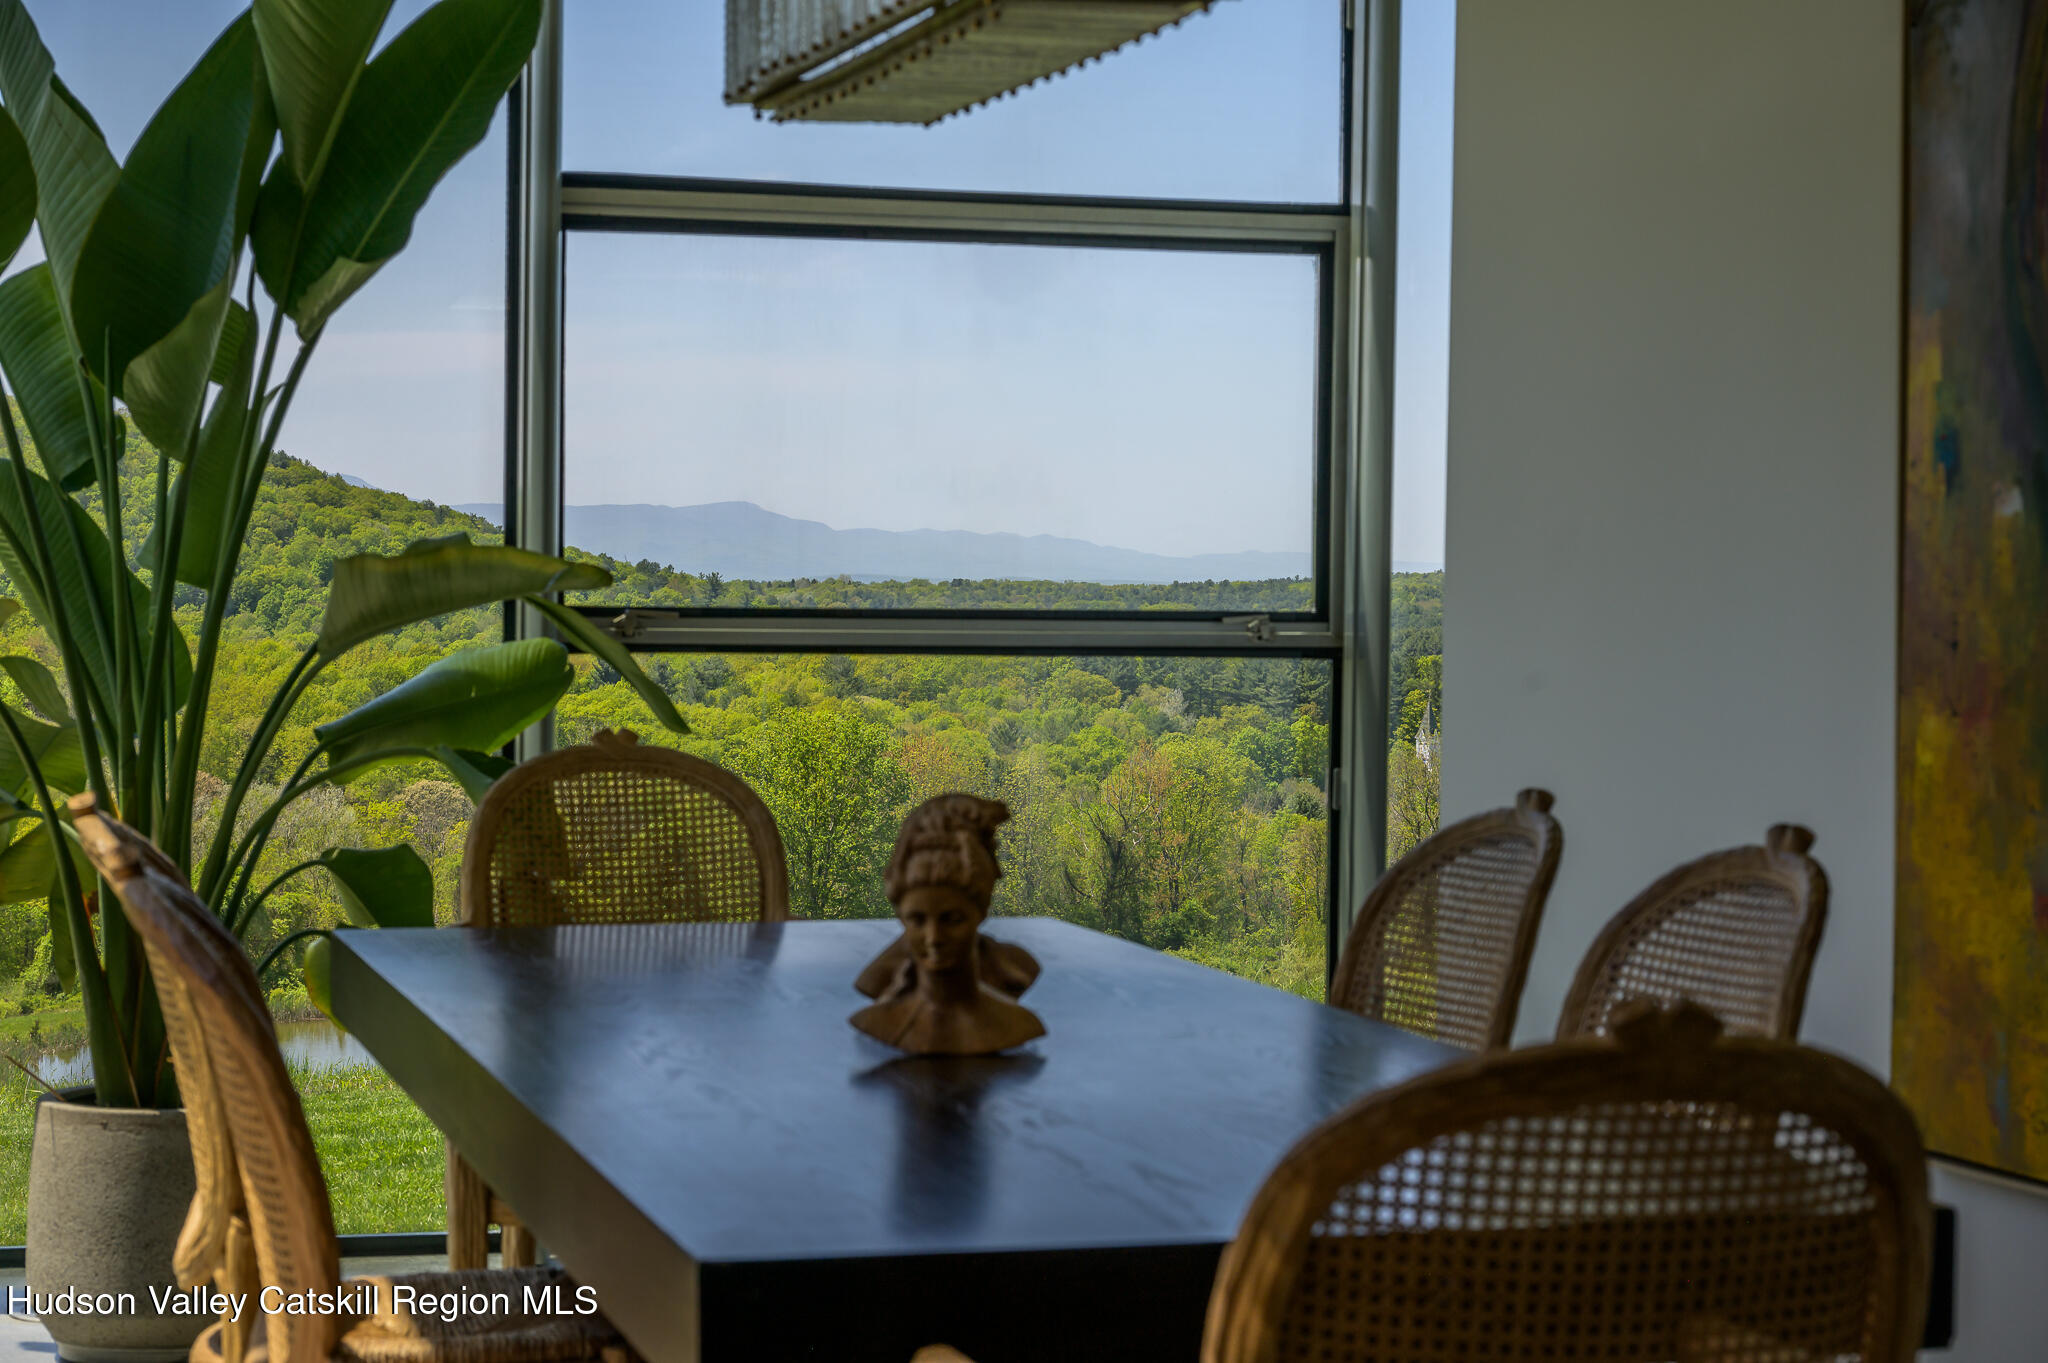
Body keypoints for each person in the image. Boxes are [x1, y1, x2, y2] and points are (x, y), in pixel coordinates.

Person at [850, 794, 1046, 1055]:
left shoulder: (1018, 1022)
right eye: (917, 919)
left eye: (952, 920)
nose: (934, 938)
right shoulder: (877, 1021)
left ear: (980, 913)